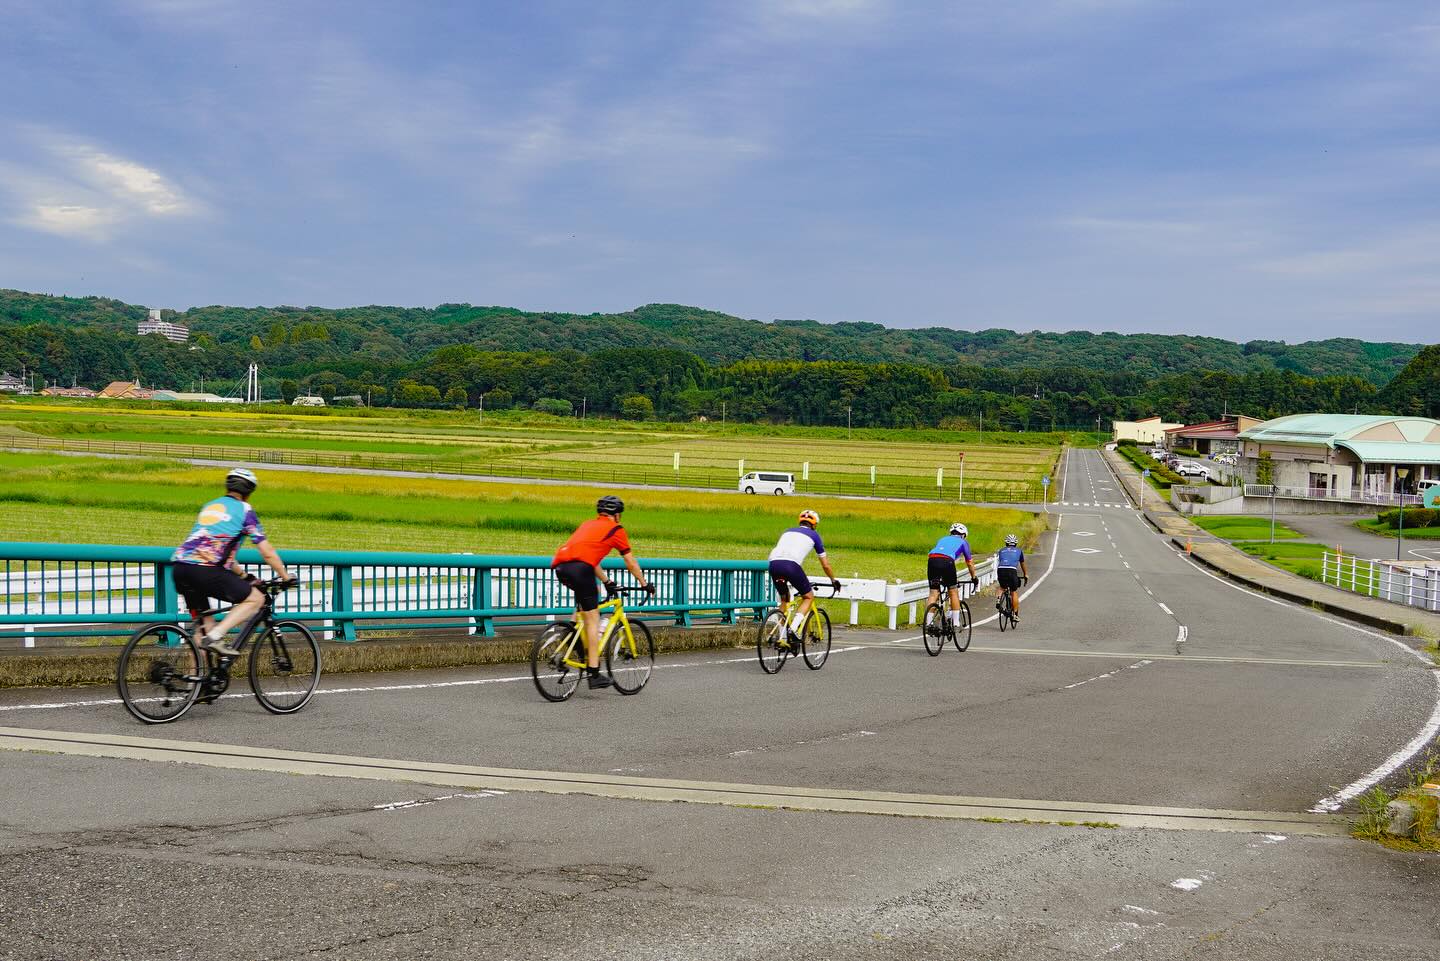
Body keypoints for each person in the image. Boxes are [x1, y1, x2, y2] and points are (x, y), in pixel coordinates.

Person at [171, 468, 291, 657]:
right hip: (206, 571)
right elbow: (266, 552)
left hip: (180, 569)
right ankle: (216, 637)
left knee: (204, 626)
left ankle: (194, 676)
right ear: (249, 492)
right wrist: (285, 577)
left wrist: (245, 576)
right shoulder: (245, 510)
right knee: (256, 599)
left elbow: (215, 550)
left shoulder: (211, 506)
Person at [552, 495, 655, 689]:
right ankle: (593, 673)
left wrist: (607, 581)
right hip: (580, 569)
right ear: (617, 515)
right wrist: (644, 584)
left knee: (585, 604)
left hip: (561, 567)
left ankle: (570, 631)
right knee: (593, 619)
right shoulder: (616, 529)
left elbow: (589, 559)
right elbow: (630, 562)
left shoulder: (588, 525)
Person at [767, 509, 841, 644]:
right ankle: (793, 629)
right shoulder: (814, 535)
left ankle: (782, 638)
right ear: (814, 524)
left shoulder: (787, 531)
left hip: (773, 564)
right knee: (808, 597)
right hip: (791, 566)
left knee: (784, 600)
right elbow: (825, 565)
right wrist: (833, 580)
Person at [925, 522, 979, 634]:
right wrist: (974, 577)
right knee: (953, 592)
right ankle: (955, 623)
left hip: (932, 560)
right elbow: (969, 562)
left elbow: (939, 553)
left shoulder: (942, 539)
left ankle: (928, 623)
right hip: (947, 561)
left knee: (933, 593)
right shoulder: (963, 542)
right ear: (963, 535)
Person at [995, 533, 1029, 621]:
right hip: (1012, 570)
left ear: (1006, 543)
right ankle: (1015, 615)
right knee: (1013, 592)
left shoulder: (1001, 550)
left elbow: (1001, 561)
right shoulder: (1019, 551)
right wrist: (1025, 574)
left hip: (1001, 569)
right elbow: (1022, 564)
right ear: (1016, 543)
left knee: (1002, 587)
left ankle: (998, 599)